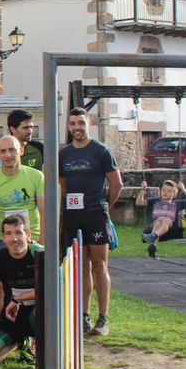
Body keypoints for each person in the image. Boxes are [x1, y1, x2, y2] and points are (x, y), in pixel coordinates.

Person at [60, 108, 122, 337]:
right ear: (69, 127)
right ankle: (84, 316)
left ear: (89, 124)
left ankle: (103, 317)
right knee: (81, 266)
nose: (77, 127)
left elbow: (117, 184)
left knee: (99, 265)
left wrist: (105, 206)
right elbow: (63, 186)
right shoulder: (64, 154)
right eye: (73, 123)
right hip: (73, 216)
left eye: (81, 123)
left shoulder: (101, 151)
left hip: (96, 215)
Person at [0, 214, 39, 366]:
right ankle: (21, 342)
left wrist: (17, 299)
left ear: (28, 235)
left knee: (41, 314)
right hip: (12, 317)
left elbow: (48, 291)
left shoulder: (39, 254)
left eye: (19, 233)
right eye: (8, 233)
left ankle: (38, 342)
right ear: (3, 238)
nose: (14, 238)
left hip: (39, 316)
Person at [0, 135, 45, 246]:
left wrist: (42, 243)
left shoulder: (37, 176)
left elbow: (44, 212)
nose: (8, 155)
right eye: (3, 151)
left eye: (12, 150)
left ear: (21, 151)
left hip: (33, 239)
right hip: (5, 241)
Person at [137, 179, 186, 256]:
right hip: (157, 225)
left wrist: (183, 189)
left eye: (169, 191)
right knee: (157, 222)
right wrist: (143, 189)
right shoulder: (156, 201)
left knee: (166, 220)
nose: (165, 192)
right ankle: (152, 247)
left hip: (171, 227)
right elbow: (139, 202)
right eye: (163, 190)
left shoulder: (177, 203)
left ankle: (153, 236)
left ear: (174, 194)